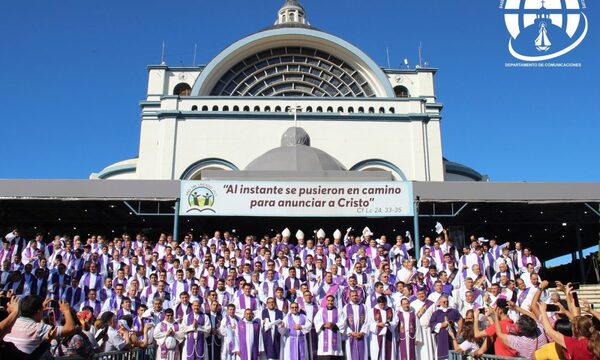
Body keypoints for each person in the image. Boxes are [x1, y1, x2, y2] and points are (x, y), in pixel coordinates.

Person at [3, 295, 76, 358]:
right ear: (38, 311)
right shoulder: (39, 328)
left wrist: (40, 309)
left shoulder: (11, 323)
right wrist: (66, 310)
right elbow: (70, 329)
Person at [429, 295, 462, 360]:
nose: (446, 303)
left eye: (447, 301)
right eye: (444, 302)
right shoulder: (436, 313)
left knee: (454, 353)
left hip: (452, 335)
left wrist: (458, 331)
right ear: (440, 302)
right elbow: (431, 324)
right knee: (443, 355)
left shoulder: (454, 311)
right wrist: (441, 325)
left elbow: (460, 320)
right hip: (442, 336)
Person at [314, 294, 346, 359]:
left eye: (332, 301)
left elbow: (343, 322)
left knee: (335, 355)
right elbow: (316, 321)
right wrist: (324, 325)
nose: (330, 302)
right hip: (323, 337)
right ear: (326, 301)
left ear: (334, 301)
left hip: (335, 336)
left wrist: (333, 325)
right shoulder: (321, 311)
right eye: (328, 300)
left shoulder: (339, 311)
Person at [369, 295, 398, 360]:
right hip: (377, 335)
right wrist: (377, 324)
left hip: (388, 333)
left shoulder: (391, 310)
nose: (382, 306)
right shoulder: (373, 310)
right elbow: (369, 322)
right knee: (377, 352)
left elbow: (396, 320)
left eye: (384, 304)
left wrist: (389, 324)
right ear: (378, 303)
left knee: (389, 352)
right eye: (381, 305)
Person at [343, 290, 368, 360]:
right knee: (351, 355)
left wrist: (362, 332)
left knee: (363, 354)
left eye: (356, 295)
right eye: (353, 296)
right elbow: (344, 322)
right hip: (351, 335)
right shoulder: (346, 307)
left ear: (358, 296)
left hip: (361, 335)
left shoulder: (363, 306)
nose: (354, 297)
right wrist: (351, 332)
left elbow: (367, 320)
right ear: (350, 297)